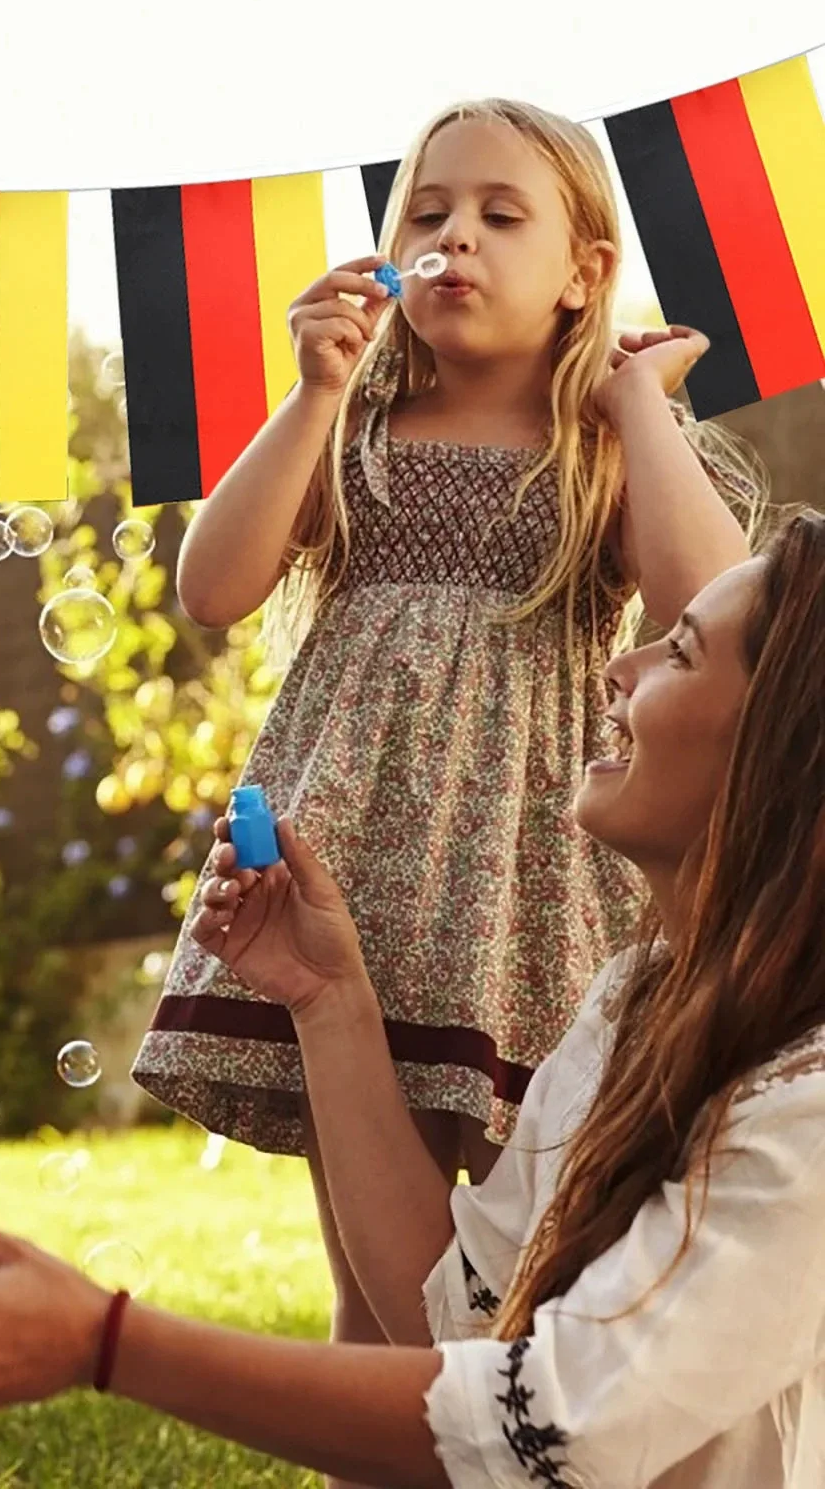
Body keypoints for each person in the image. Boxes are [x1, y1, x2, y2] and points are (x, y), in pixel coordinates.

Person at [0, 508, 825, 1486]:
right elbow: (459, 1319)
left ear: (781, 752)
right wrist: (328, 997)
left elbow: (550, 1428)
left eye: (679, 654)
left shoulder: (808, 1106)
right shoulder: (630, 1006)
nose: (618, 666)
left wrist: (109, 1341)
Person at [127, 96, 762, 1489]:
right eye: (427, 212)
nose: (454, 238)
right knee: (374, 1283)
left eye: (500, 214)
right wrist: (310, 392)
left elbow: (717, 605)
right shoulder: (355, 423)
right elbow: (214, 588)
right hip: (347, 877)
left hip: (526, 892)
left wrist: (636, 404)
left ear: (586, 271)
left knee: (524, 1259)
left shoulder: (603, 443)